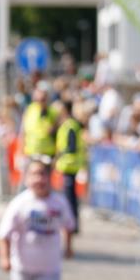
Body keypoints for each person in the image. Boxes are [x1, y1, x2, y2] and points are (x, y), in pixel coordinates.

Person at [55, 99, 86, 233]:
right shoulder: (68, 124)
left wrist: (60, 154)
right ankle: (71, 224)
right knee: (70, 197)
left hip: (70, 164)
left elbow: (71, 147)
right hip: (68, 165)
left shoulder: (70, 125)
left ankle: (72, 225)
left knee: (70, 198)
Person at [20, 82, 57, 173]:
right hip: (31, 153)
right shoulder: (30, 110)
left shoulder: (52, 112)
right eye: (39, 99)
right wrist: (21, 152)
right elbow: (23, 132)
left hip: (47, 154)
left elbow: (57, 133)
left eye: (43, 99)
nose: (40, 101)